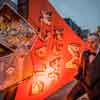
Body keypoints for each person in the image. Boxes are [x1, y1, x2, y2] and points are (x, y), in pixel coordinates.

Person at [66, 33, 100, 100]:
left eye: (92, 42)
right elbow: (81, 68)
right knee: (70, 97)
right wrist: (78, 75)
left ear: (98, 42)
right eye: (88, 42)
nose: (89, 45)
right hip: (83, 83)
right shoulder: (85, 53)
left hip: (96, 86)